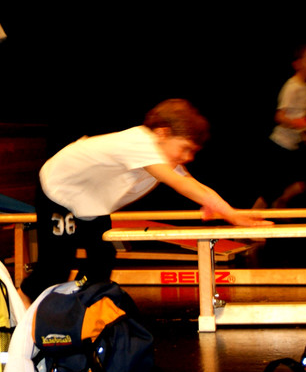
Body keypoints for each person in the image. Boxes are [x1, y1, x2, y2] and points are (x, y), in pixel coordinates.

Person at [20, 99, 271, 303]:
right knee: (57, 264)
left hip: (89, 201)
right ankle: (22, 301)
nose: (188, 157)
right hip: (59, 190)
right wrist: (231, 215)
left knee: (103, 256)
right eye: (185, 148)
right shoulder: (141, 144)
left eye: (192, 151)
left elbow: (194, 184)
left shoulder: (161, 154)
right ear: (162, 133)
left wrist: (230, 211)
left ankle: (82, 306)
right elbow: (182, 185)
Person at [255, 43, 306, 208]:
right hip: (279, 144)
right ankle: (254, 216)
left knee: (302, 183)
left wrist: (305, 133)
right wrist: (305, 125)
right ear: (298, 64)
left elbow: (298, 115)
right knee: (270, 190)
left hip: (293, 145)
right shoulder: (292, 86)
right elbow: (279, 116)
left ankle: (280, 203)